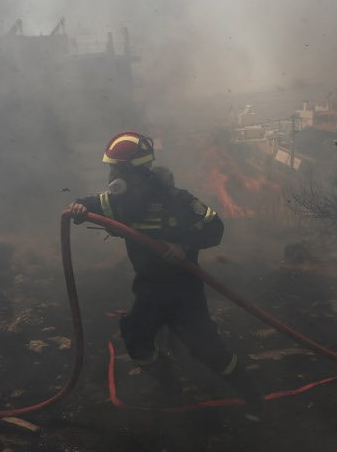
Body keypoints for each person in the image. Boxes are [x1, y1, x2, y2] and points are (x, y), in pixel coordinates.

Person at [68, 132, 263, 417]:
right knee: (136, 339)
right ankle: (170, 387)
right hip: (148, 290)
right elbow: (88, 203)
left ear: (140, 173)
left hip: (184, 293)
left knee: (208, 351)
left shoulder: (177, 200)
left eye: (119, 170)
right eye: (111, 170)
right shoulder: (118, 202)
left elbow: (215, 228)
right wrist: (78, 206)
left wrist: (184, 246)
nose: (113, 177)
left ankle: (253, 397)